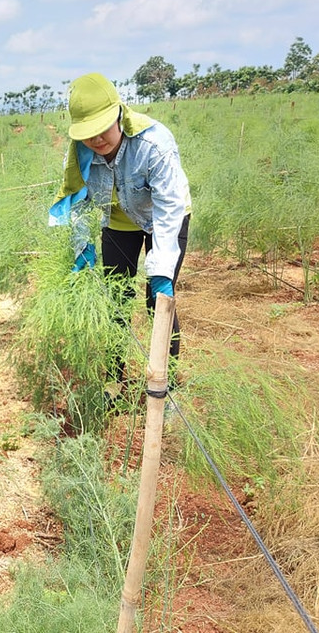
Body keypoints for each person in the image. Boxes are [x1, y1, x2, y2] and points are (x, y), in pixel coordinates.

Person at [50, 72, 192, 396]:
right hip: (117, 223)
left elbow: (169, 208)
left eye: (102, 130)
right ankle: (114, 382)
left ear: (118, 113)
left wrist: (161, 268)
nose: (97, 141)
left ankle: (164, 390)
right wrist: (82, 243)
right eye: (88, 134)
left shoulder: (153, 143)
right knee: (114, 303)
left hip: (164, 220)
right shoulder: (79, 156)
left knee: (158, 303)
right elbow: (78, 203)